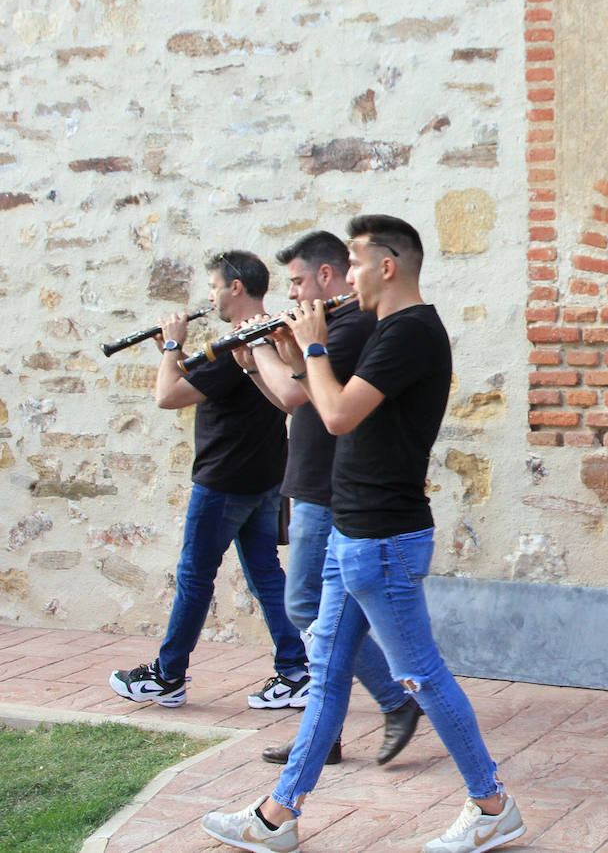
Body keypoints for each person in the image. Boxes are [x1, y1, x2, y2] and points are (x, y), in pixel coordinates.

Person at [201, 216, 523, 853]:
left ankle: (492, 805)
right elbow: (324, 401)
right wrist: (293, 355)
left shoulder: (411, 332)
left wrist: (313, 350)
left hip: (385, 537)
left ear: (387, 266)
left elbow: (340, 415)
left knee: (421, 676)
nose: (343, 278)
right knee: (324, 676)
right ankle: (277, 816)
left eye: (352, 263)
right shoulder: (389, 329)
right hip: (353, 530)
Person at [233, 231, 423, 765]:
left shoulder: (350, 324)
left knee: (306, 608)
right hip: (312, 482)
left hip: (327, 487)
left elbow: (299, 393)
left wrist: (268, 347)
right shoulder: (330, 328)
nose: (290, 296)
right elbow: (294, 403)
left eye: (295, 281)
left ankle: (393, 700)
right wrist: (256, 360)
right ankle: (327, 733)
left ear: (324, 276)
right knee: (326, 616)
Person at [109, 252, 306, 710]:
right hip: (265, 481)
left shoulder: (238, 343)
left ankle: (168, 674)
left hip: (223, 483)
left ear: (236, 288)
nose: (211, 296)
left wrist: (171, 346)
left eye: (215, 286)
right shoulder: (273, 334)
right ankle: (295, 670)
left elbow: (167, 395)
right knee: (265, 575)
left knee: (195, 577)